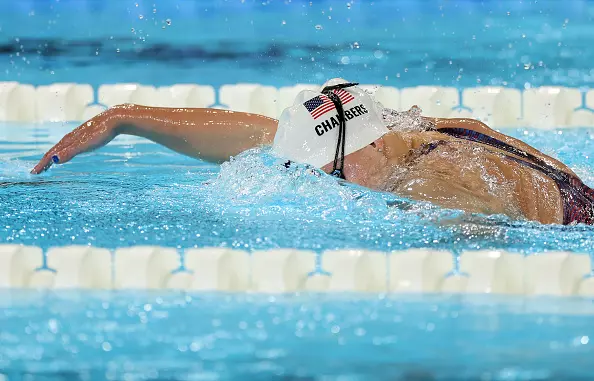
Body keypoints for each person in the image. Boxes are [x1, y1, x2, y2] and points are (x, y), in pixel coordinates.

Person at [31, 78, 594, 225]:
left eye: (332, 176)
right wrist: (126, 118)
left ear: (362, 151)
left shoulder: (433, 176)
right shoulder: (397, 133)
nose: (330, 185)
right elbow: (258, 132)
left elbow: (487, 239)